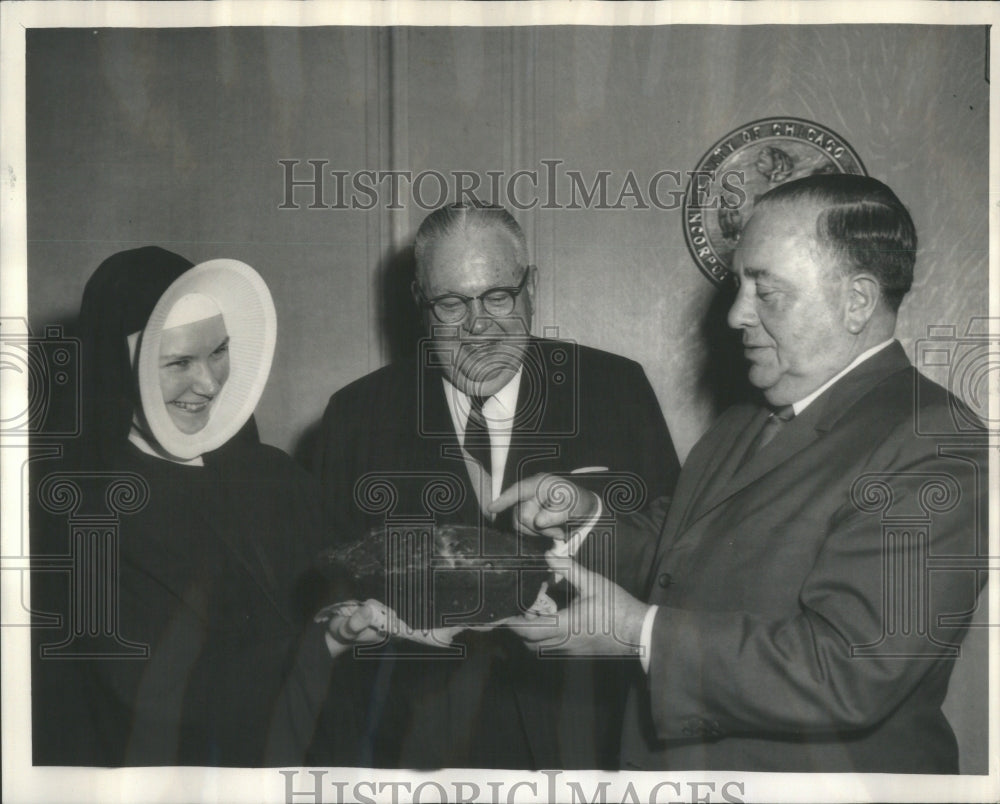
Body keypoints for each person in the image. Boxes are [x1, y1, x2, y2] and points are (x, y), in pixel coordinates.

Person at [492, 174, 987, 773]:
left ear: (857, 301)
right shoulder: (746, 421)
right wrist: (585, 517)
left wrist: (640, 634)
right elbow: (680, 565)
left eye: (766, 291)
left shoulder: (934, 441)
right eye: (738, 285)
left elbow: (852, 667)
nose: (735, 315)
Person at [312, 201, 679, 768]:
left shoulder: (615, 389)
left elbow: (672, 567)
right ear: (419, 302)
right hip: (415, 755)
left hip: (584, 745)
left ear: (532, 287)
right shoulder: (355, 415)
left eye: (497, 297)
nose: (477, 325)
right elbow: (324, 588)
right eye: (452, 302)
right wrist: (344, 619)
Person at [30, 247, 381, 767]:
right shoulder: (83, 511)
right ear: (114, 368)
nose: (211, 383)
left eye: (219, 351)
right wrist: (323, 644)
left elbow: (359, 572)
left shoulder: (274, 475)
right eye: (178, 363)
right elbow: (151, 697)